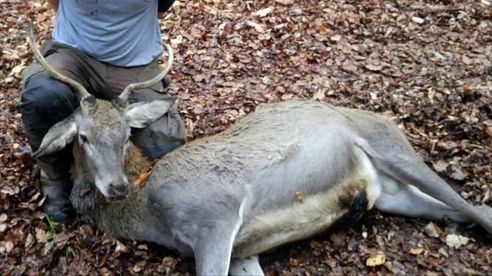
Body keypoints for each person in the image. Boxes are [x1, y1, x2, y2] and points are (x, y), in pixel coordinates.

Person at [20, 0, 185, 223]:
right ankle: (54, 179)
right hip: (74, 54)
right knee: (43, 95)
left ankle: (110, 140)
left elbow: (161, 8)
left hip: (132, 62)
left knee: (165, 141)